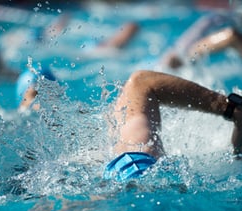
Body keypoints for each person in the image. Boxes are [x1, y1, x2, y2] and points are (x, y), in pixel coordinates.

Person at [104, 70, 242, 181]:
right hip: (138, 176)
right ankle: (234, 109)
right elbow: (143, 82)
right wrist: (229, 108)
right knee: (139, 83)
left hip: (129, 187)